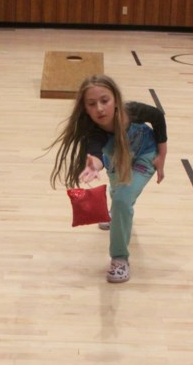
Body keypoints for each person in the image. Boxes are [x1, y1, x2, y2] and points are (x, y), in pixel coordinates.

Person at [49, 74, 167, 283]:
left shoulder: (133, 111)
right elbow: (95, 153)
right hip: (115, 159)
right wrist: (94, 165)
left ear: (116, 99)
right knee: (118, 196)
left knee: (122, 200)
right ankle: (117, 213)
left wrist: (162, 155)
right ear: (85, 108)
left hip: (145, 156)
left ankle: (119, 258)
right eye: (92, 104)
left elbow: (157, 116)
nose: (100, 109)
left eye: (105, 101)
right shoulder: (92, 131)